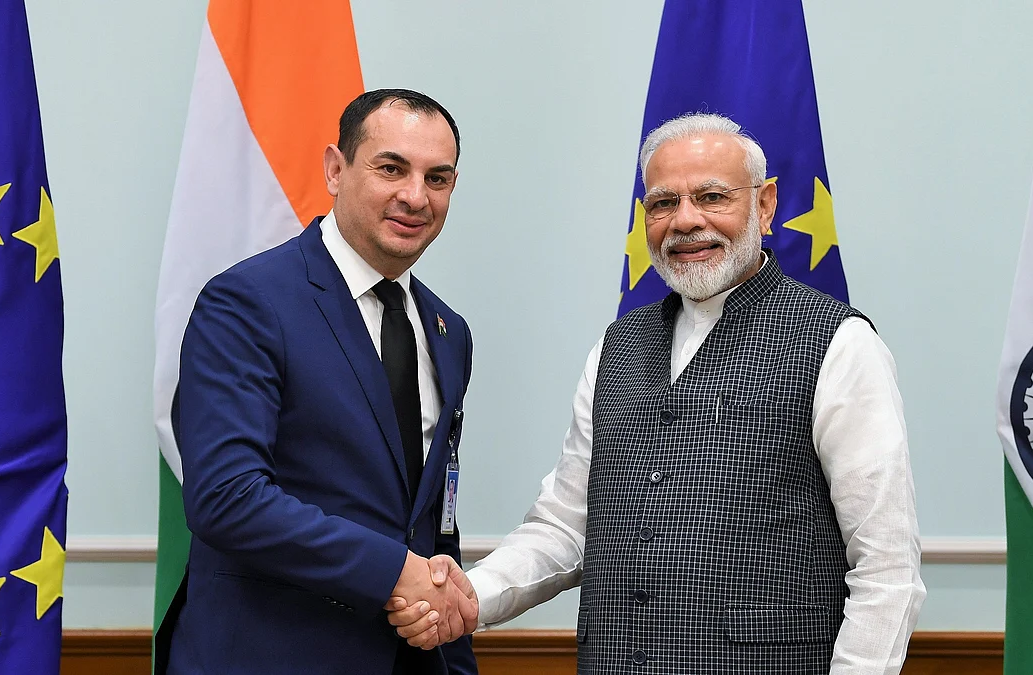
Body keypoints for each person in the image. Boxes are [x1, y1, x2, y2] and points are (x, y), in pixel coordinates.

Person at [390, 113, 925, 674]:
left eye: (713, 196)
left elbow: (887, 571)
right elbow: (568, 526)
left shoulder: (840, 345)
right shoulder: (618, 345)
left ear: (764, 207)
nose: (685, 221)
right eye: (663, 203)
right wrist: (472, 595)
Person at [161, 89, 479, 675]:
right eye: (391, 168)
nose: (415, 196)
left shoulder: (447, 330)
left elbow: (435, 523)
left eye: (437, 178)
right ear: (336, 169)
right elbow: (226, 498)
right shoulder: (248, 303)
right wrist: (392, 572)